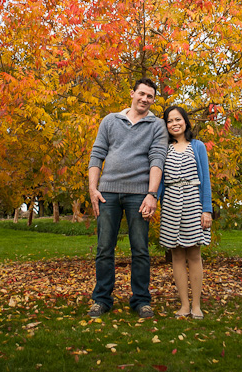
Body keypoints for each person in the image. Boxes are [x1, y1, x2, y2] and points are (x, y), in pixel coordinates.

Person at [87, 78, 167, 319]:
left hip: (139, 196)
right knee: (104, 249)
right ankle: (102, 299)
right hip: (107, 193)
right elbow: (97, 154)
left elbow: (157, 160)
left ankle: (141, 300)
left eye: (150, 96)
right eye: (141, 94)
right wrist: (93, 188)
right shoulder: (110, 120)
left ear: (153, 100)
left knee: (140, 249)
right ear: (132, 93)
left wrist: (152, 195)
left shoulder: (157, 125)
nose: (144, 99)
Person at [156, 105, 213, 319]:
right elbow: (159, 179)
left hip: (193, 202)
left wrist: (206, 210)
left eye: (178, 119)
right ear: (166, 125)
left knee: (194, 253)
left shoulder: (197, 147)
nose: (174, 124)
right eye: (170, 121)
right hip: (170, 203)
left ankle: (197, 305)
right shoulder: (163, 148)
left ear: (186, 122)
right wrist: (153, 199)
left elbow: (205, 180)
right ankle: (184, 305)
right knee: (177, 254)